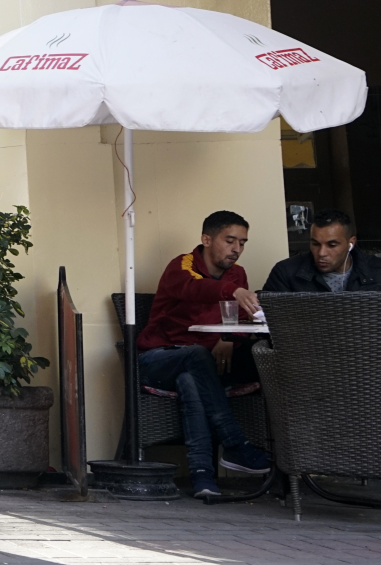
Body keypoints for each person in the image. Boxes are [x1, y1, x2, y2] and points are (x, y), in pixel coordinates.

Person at [137, 210, 275, 500]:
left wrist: (228, 337)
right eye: (230, 240)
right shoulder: (182, 265)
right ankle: (235, 443)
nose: (236, 249)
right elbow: (195, 288)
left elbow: (240, 320)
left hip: (201, 367)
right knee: (196, 356)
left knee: (191, 379)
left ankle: (203, 477)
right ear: (206, 239)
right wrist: (233, 291)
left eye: (242, 242)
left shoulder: (236, 273)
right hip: (157, 359)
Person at [263, 210, 381, 294]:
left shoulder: (376, 270)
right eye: (315, 244)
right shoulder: (286, 272)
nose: (321, 253)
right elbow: (266, 320)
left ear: (351, 243)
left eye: (332, 245)